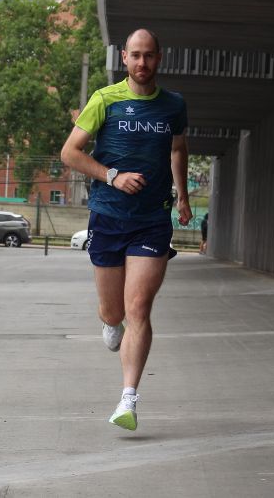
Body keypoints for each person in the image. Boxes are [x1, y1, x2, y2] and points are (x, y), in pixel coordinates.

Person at [60, 28, 193, 431]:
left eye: (149, 55)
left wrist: (183, 196)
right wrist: (112, 175)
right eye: (135, 55)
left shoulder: (174, 106)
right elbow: (70, 153)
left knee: (138, 308)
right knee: (114, 311)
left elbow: (177, 148)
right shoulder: (105, 100)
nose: (142, 63)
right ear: (123, 58)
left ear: (160, 57)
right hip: (108, 216)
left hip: (152, 221)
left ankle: (128, 399)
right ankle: (108, 320)